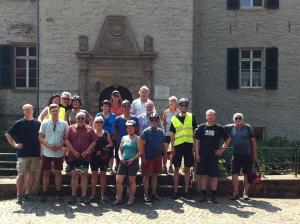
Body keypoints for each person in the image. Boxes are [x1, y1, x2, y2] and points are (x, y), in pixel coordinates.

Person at [5, 104, 41, 204]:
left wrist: (41, 152)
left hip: (35, 153)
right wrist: (15, 145)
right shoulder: (19, 123)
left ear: (33, 110)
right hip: (22, 154)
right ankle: (19, 195)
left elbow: (41, 138)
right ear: (23, 111)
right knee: (21, 174)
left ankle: (28, 193)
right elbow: (8, 134)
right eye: (25, 110)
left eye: (29, 109)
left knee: (32, 174)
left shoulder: (38, 123)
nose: (27, 111)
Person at [194, 109, 230, 203]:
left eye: (212, 115)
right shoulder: (202, 127)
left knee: (214, 176)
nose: (210, 117)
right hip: (202, 156)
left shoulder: (219, 128)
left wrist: (222, 150)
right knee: (203, 176)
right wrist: (197, 154)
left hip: (213, 156)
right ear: (206, 117)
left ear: (215, 117)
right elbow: (197, 141)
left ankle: (214, 195)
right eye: (208, 115)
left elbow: (228, 139)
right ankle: (203, 195)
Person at [65, 112, 98, 205]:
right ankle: (73, 195)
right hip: (73, 156)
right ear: (76, 119)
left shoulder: (89, 129)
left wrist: (87, 151)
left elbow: (94, 141)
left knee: (84, 175)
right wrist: (73, 151)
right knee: (74, 175)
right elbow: (66, 140)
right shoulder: (71, 128)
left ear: (85, 119)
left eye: (82, 118)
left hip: (85, 157)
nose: (80, 120)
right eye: (78, 118)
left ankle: (84, 195)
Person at [224, 113, 258, 201]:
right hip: (236, 154)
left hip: (248, 155)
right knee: (234, 173)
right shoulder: (230, 127)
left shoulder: (248, 127)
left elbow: (253, 142)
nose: (238, 119)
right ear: (233, 119)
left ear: (243, 119)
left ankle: (245, 193)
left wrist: (255, 154)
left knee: (247, 173)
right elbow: (218, 128)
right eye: (236, 118)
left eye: (240, 118)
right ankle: (235, 193)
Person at [39, 104, 69, 202]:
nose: (55, 113)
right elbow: (40, 137)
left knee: (58, 173)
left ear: (59, 111)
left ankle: (58, 193)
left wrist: (60, 146)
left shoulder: (64, 124)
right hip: (47, 152)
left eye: (56, 111)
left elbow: (67, 138)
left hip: (59, 153)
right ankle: (44, 193)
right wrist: (49, 146)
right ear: (50, 112)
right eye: (53, 111)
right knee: (46, 173)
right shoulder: (45, 123)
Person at [170, 98, 197, 199]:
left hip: (189, 146)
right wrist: (172, 147)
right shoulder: (174, 119)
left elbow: (194, 132)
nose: (184, 107)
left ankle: (186, 190)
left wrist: (194, 145)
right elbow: (172, 134)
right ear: (179, 107)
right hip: (178, 146)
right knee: (176, 168)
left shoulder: (191, 117)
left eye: (185, 105)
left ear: (187, 107)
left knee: (187, 168)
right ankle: (175, 190)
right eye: (182, 105)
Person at [112, 120, 143, 206]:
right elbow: (119, 150)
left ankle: (131, 198)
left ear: (134, 128)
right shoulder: (124, 138)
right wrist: (120, 157)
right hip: (123, 161)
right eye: (128, 128)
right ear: (127, 129)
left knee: (131, 181)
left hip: (133, 162)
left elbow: (140, 152)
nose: (130, 129)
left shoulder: (138, 139)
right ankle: (119, 198)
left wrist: (132, 159)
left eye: (131, 128)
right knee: (118, 180)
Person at [141, 114, 165, 202]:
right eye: (152, 120)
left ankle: (154, 193)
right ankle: (146, 194)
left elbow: (162, 145)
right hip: (148, 157)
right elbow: (142, 146)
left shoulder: (161, 131)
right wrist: (143, 158)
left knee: (155, 175)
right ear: (150, 121)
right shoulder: (145, 132)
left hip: (158, 156)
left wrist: (164, 156)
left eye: (156, 120)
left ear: (158, 121)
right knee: (147, 176)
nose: (154, 122)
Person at [90, 116, 113, 202]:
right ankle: (93, 194)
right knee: (94, 175)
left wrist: (103, 149)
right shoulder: (92, 132)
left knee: (103, 175)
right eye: (97, 122)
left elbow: (110, 143)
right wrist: (94, 150)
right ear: (94, 123)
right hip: (94, 156)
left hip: (103, 157)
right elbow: (89, 143)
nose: (99, 124)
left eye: (101, 122)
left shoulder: (106, 133)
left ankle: (102, 194)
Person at [114, 100, 139, 171]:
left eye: (128, 106)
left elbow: (137, 132)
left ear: (130, 107)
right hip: (121, 143)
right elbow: (115, 132)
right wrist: (117, 143)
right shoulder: (117, 119)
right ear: (121, 107)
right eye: (124, 106)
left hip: (132, 144)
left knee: (131, 165)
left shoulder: (135, 118)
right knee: (121, 165)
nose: (126, 108)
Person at [95, 100, 116, 174]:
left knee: (110, 152)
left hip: (111, 135)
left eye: (107, 106)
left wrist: (114, 135)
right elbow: (95, 124)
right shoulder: (98, 115)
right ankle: (99, 167)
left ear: (109, 107)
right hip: (100, 135)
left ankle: (110, 168)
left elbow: (115, 126)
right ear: (102, 107)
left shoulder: (113, 115)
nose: (106, 107)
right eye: (104, 106)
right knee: (99, 150)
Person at [162, 96, 180, 173]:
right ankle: (164, 166)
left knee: (173, 151)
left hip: (176, 135)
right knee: (165, 151)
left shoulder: (179, 112)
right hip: (167, 134)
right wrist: (164, 132)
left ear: (176, 102)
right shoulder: (165, 112)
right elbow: (163, 123)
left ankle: (170, 166)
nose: (171, 102)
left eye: (173, 101)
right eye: (170, 101)